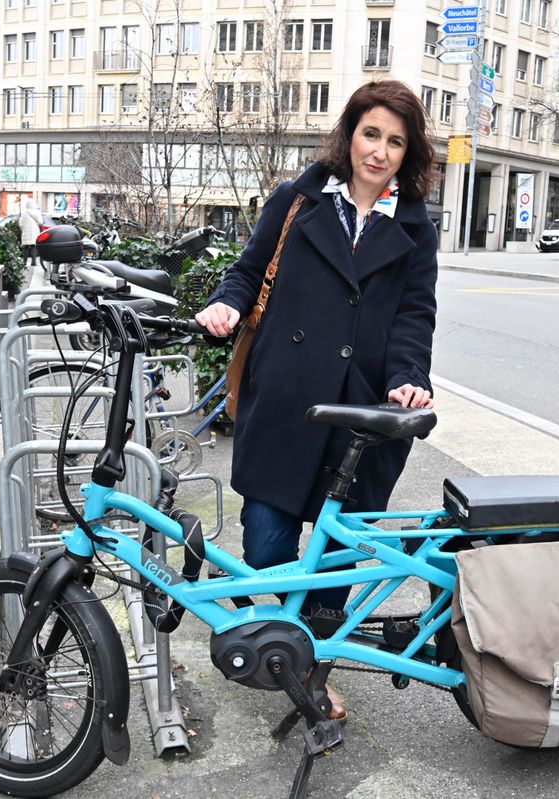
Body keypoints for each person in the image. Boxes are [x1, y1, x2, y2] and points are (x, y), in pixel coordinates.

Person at [196, 80, 438, 720]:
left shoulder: (415, 226)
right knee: (268, 538)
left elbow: (416, 314)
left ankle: (313, 666)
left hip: (359, 409)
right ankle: (278, 650)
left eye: (394, 140)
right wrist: (226, 303)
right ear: (349, 134)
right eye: (370, 134)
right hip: (288, 397)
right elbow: (249, 271)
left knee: (337, 559)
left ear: (407, 152)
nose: (379, 151)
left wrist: (410, 374)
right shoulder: (297, 199)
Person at [19, 195, 44, 267]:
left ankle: (24, 262)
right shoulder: (36, 213)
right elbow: (40, 222)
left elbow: (20, 224)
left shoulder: (23, 213)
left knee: (25, 247)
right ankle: (33, 262)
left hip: (25, 233)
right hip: (34, 232)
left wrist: (23, 230)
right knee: (33, 246)